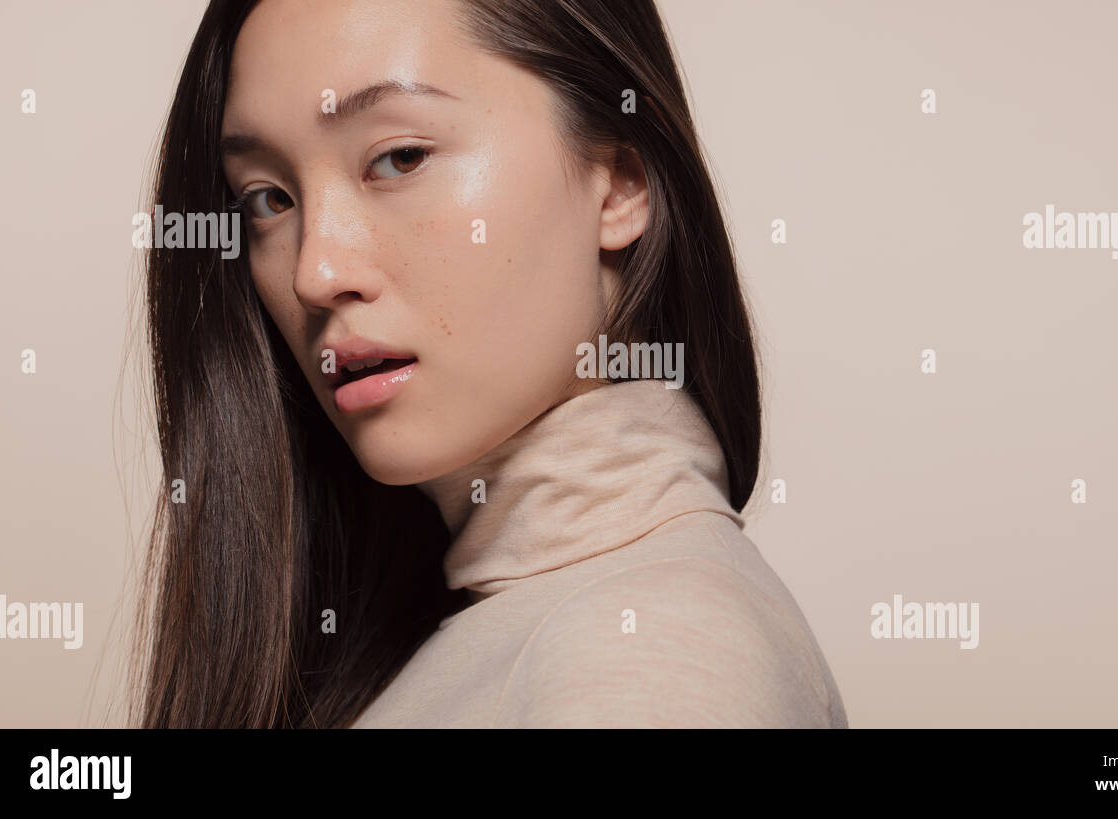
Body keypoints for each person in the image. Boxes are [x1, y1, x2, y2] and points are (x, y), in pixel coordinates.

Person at [133, 0, 848, 728]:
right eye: (270, 198)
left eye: (399, 157)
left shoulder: (647, 647)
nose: (314, 272)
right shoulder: (477, 626)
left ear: (621, 178)